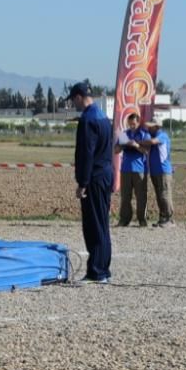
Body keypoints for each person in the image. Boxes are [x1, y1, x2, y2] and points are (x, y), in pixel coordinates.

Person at [69, 82, 114, 283]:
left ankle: (96, 271)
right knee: (103, 224)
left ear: (79, 97)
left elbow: (86, 154)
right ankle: (103, 267)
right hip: (105, 174)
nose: (73, 104)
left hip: (94, 178)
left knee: (93, 224)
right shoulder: (104, 117)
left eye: (73, 100)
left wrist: (82, 182)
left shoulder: (87, 120)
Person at [114, 112, 150, 227]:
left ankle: (142, 219)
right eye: (129, 124)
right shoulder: (124, 134)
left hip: (139, 169)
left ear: (138, 122)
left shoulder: (144, 134)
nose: (131, 126)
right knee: (125, 196)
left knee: (141, 196)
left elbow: (147, 151)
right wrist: (122, 146)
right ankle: (124, 219)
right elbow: (116, 150)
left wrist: (136, 145)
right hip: (125, 169)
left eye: (133, 124)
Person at [144, 120, 175, 227]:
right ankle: (162, 218)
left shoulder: (162, 135)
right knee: (159, 195)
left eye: (150, 127)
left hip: (163, 171)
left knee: (165, 194)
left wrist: (139, 141)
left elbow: (152, 142)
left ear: (157, 127)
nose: (148, 129)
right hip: (155, 171)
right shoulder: (153, 136)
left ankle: (169, 219)